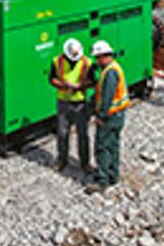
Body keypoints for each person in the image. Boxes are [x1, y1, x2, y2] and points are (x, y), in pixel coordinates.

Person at [86, 40, 131, 194]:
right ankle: (113, 175)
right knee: (113, 145)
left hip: (110, 116)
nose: (96, 61)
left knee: (102, 147)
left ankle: (102, 180)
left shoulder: (110, 73)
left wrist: (101, 115)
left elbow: (107, 97)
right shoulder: (114, 68)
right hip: (118, 115)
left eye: (97, 58)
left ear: (104, 56)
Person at [49, 38, 96, 173]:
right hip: (63, 102)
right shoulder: (56, 62)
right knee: (62, 133)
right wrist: (64, 86)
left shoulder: (87, 63)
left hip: (80, 103)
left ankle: (85, 163)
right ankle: (62, 160)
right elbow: (51, 79)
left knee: (83, 134)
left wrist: (79, 86)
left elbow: (93, 81)